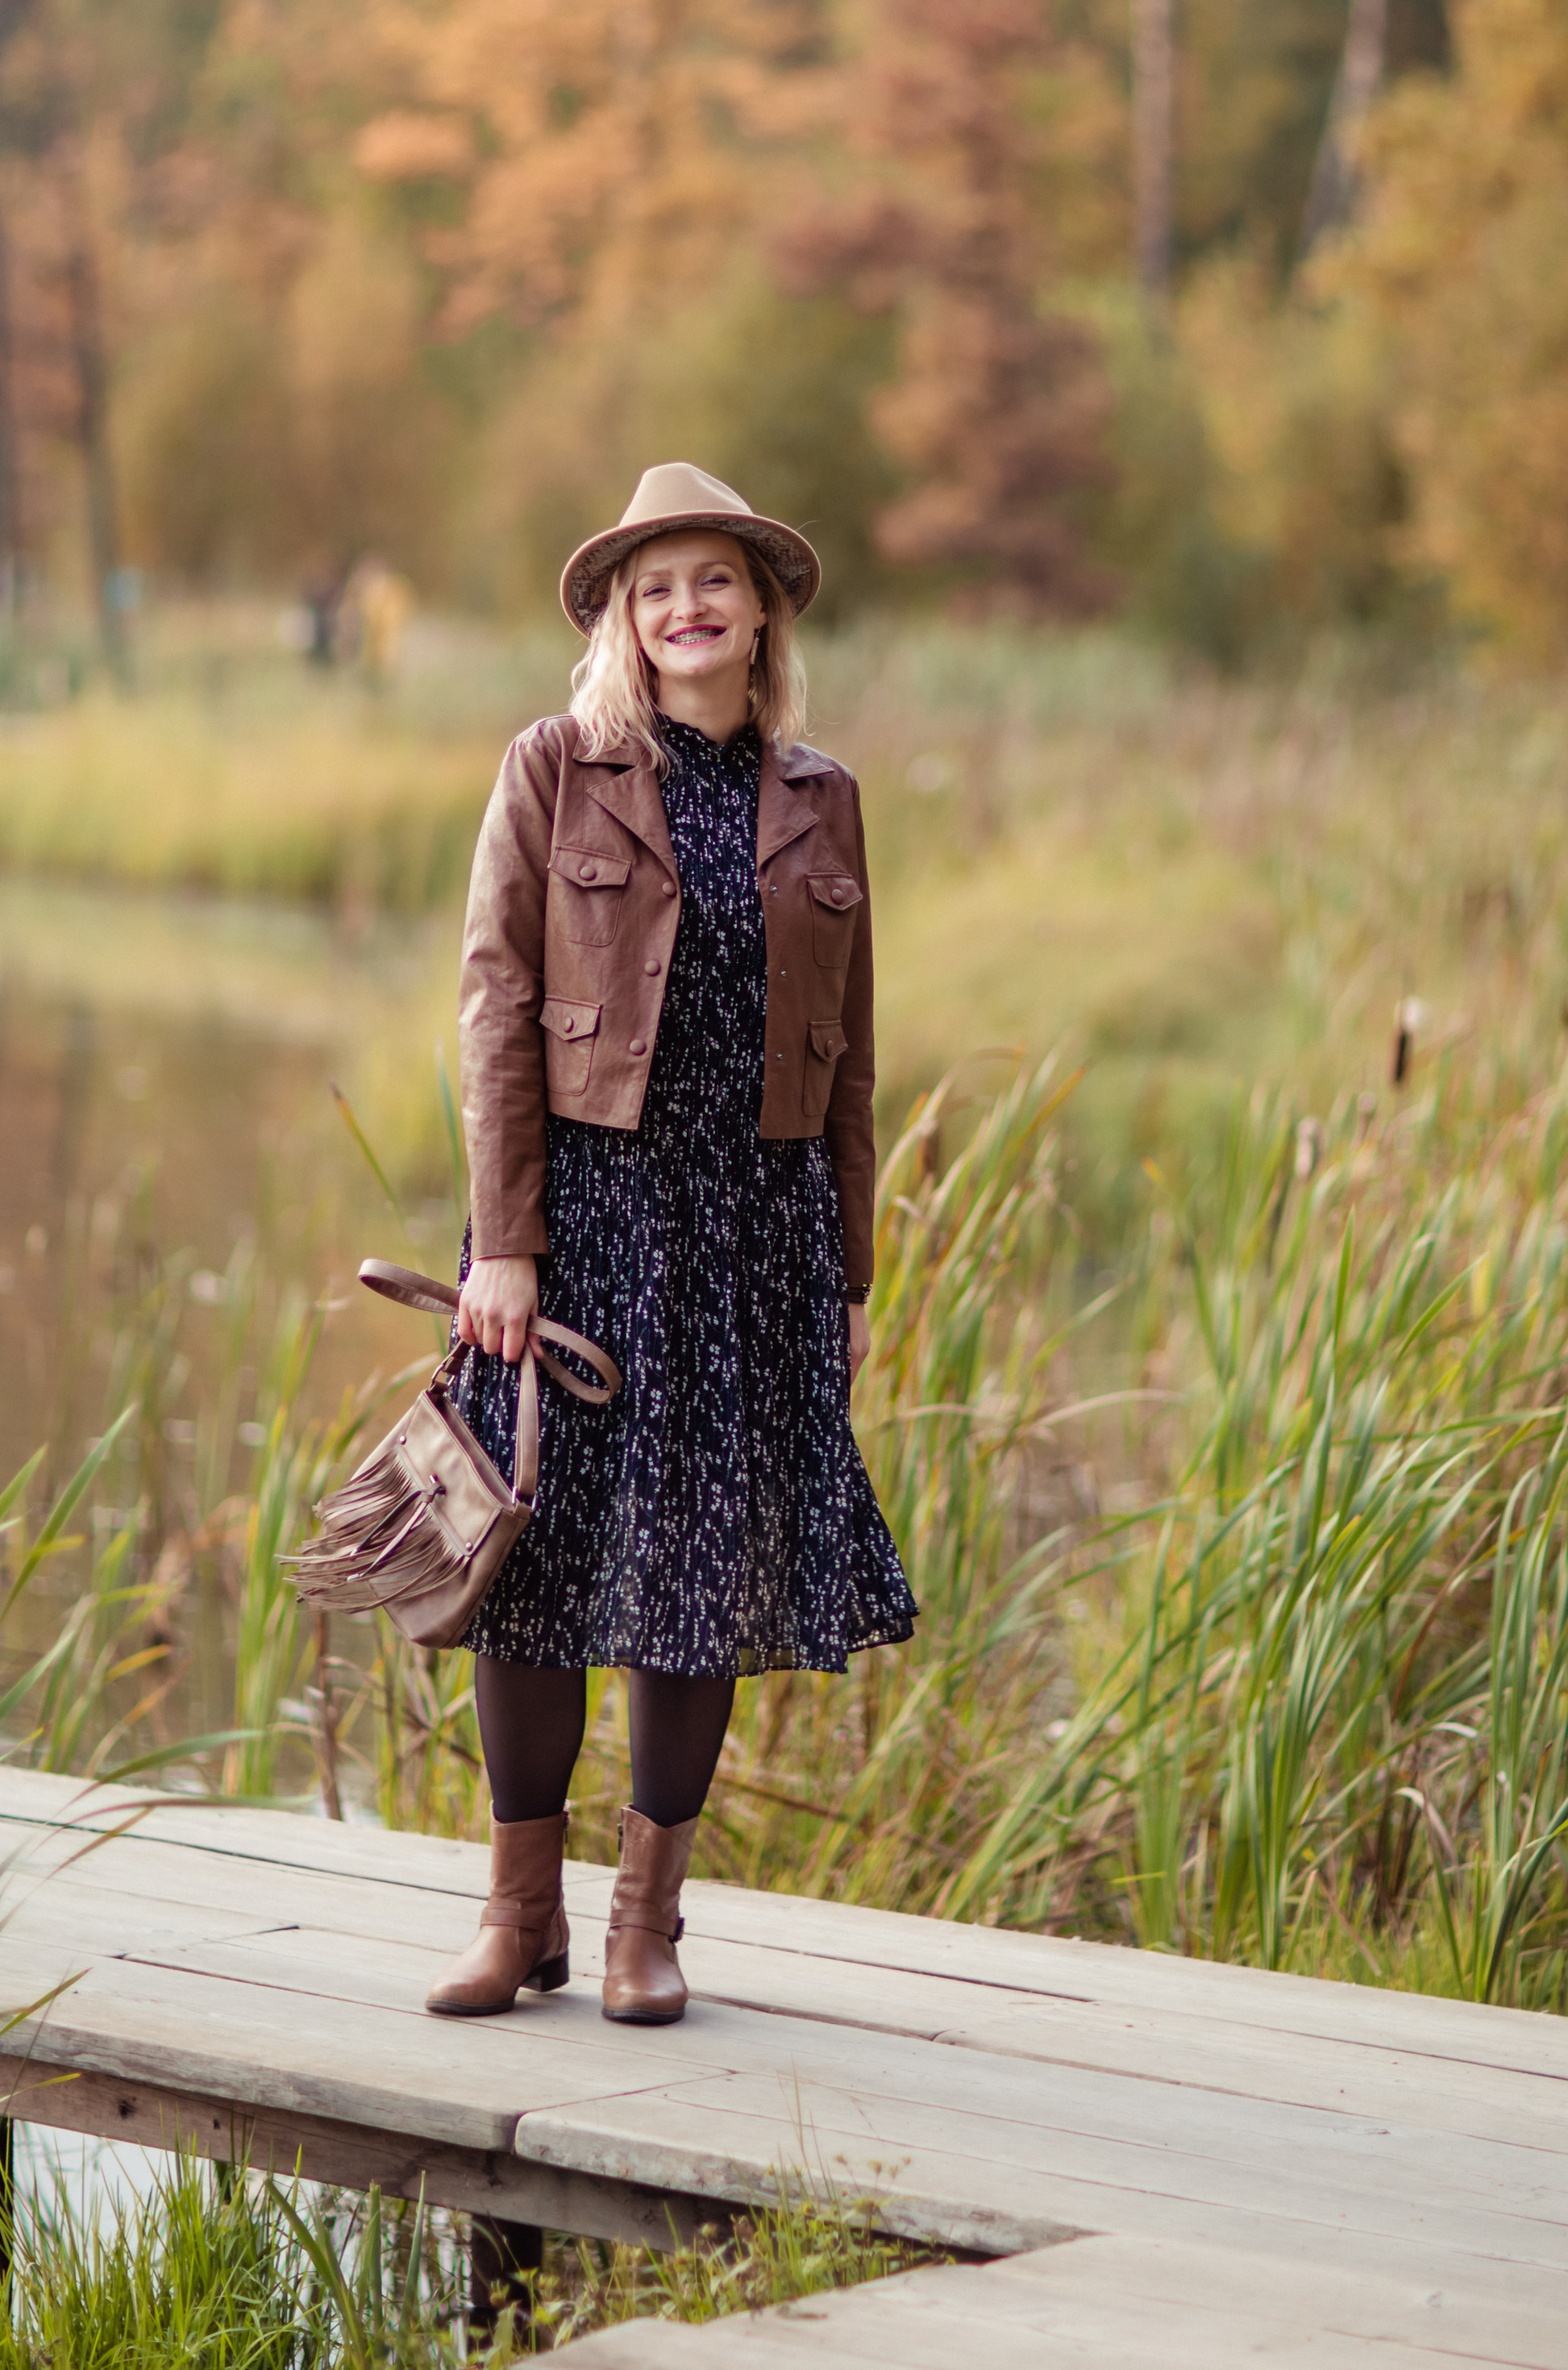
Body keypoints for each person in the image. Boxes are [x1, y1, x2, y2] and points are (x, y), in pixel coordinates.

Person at [429, 464, 917, 2030]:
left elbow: (849, 1057)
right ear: (624, 623)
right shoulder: (554, 766)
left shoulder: (823, 797)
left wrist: (847, 1276)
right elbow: (495, 1005)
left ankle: (647, 1926)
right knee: (531, 1565)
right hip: (578, 1222)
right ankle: (520, 1919)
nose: (687, 608)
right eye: (658, 588)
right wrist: (505, 1244)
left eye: (715, 581)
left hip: (750, 1236)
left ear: (760, 613)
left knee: (694, 1571)